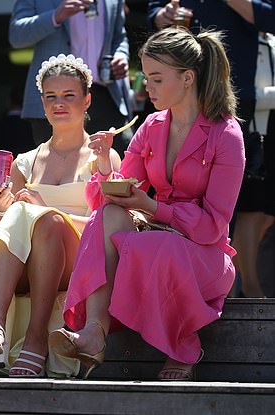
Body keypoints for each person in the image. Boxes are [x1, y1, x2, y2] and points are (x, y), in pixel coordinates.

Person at [51, 27, 244, 381]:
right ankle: (95, 330)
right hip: (157, 236)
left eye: (156, 78)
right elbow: (112, 199)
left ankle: (184, 347)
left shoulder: (226, 134)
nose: (146, 87)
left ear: (188, 78)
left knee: (159, 244)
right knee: (106, 217)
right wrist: (106, 163)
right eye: (145, 77)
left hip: (205, 254)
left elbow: (212, 226)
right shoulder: (151, 126)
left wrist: (153, 209)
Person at [0, 54, 122, 378]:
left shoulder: (104, 156)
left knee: (49, 221)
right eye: (51, 97)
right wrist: (1, 206)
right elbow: (8, 233)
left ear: (87, 100)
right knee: (29, 216)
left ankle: (36, 339)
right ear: (41, 102)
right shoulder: (24, 162)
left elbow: (111, 228)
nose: (59, 104)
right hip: (27, 262)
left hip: (80, 260)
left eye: (69, 96)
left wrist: (47, 210)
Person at [148, 0, 275, 298]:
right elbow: (153, 12)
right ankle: (220, 283)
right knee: (199, 195)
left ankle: (233, 283)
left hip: (240, 96)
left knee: (250, 204)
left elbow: (270, 19)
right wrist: (163, 16)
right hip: (183, 99)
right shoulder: (155, 123)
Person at [9, 0, 132, 153]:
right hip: (57, 99)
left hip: (106, 96)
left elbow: (119, 37)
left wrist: (121, 55)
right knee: (57, 171)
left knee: (115, 167)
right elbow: (16, 35)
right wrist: (56, 16)